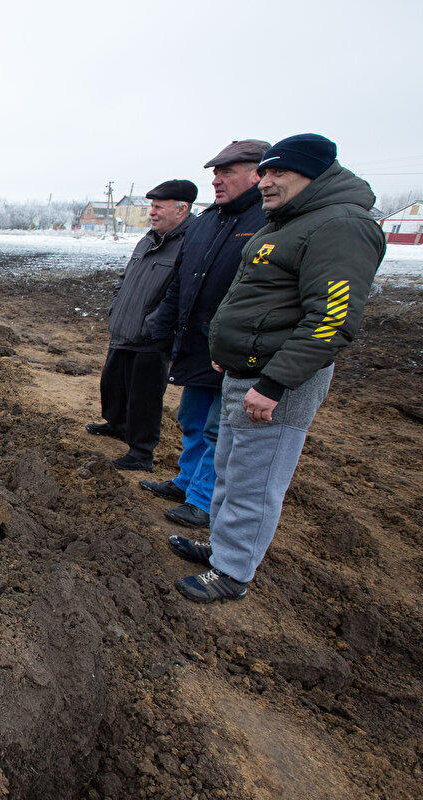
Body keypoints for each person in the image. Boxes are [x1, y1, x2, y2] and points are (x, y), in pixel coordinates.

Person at [171, 133, 386, 602]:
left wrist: (273, 384)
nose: (266, 181)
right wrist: (225, 349)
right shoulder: (287, 222)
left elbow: (331, 319)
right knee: (230, 469)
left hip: (278, 382)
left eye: (278, 172)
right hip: (244, 371)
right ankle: (223, 548)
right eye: (264, 172)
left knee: (256, 480)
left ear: (314, 174)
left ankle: (231, 573)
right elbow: (257, 296)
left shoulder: (339, 227)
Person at [140, 139, 270, 528]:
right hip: (196, 343)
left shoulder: (266, 222)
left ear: (258, 173)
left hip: (236, 347)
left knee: (219, 426)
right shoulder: (208, 221)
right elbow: (181, 279)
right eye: (215, 172)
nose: (217, 180)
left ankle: (202, 497)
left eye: (226, 172)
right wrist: (163, 327)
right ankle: (186, 480)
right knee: (192, 417)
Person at [86, 179, 196, 471]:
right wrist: (116, 306)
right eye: (152, 206)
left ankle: (141, 452)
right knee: (115, 385)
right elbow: (125, 278)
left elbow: (182, 294)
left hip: (152, 337)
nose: (153, 212)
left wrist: (153, 324)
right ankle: (118, 424)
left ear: (181, 209)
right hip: (126, 327)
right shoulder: (148, 239)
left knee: (144, 396)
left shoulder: (190, 244)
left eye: (159, 207)